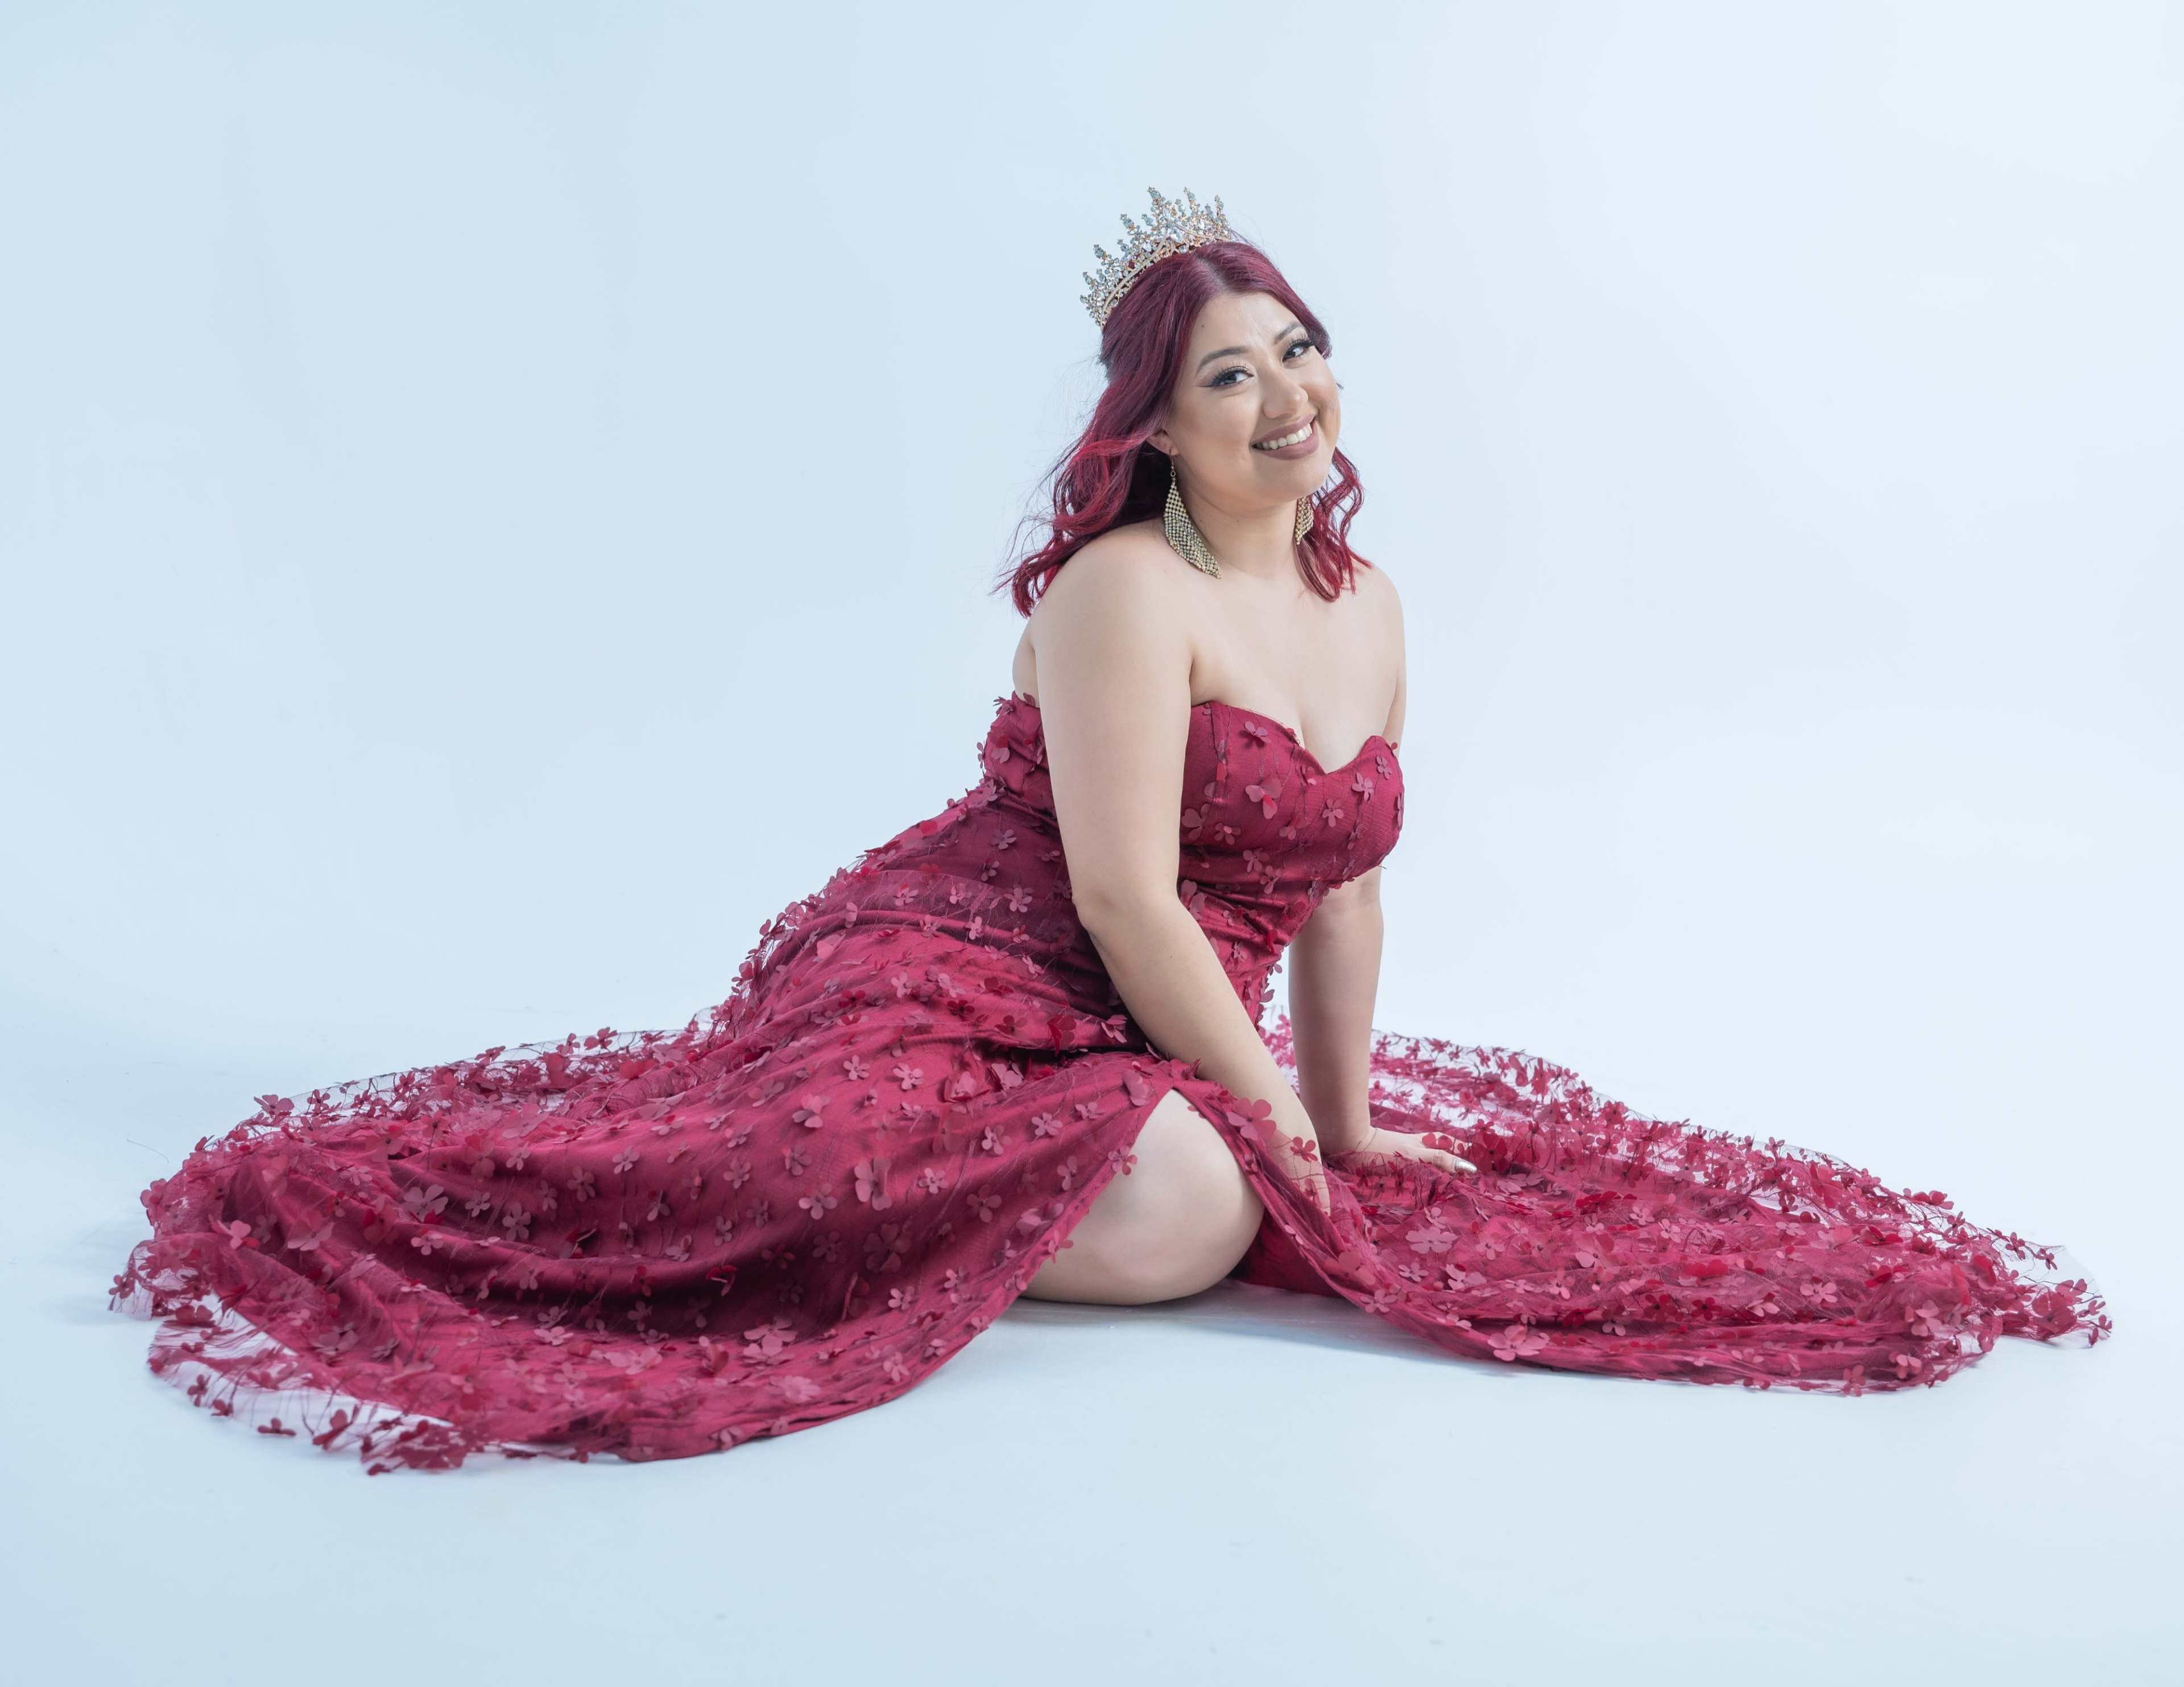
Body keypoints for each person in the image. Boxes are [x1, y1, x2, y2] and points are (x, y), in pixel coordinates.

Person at [110, 189, 2110, 1473]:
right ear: (1154, 428)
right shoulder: (1119, 594)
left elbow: (1344, 880)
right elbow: (1119, 890)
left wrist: (1338, 1108)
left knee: (1202, 1203)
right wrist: (1278, 1139)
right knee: (1161, 1214)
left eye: (1298, 351)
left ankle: (1156, 1156)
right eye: (1229, 377)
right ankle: (700, 1177)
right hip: (970, 971)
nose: (1285, 397)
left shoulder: (1370, 601)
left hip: (1167, 1036)